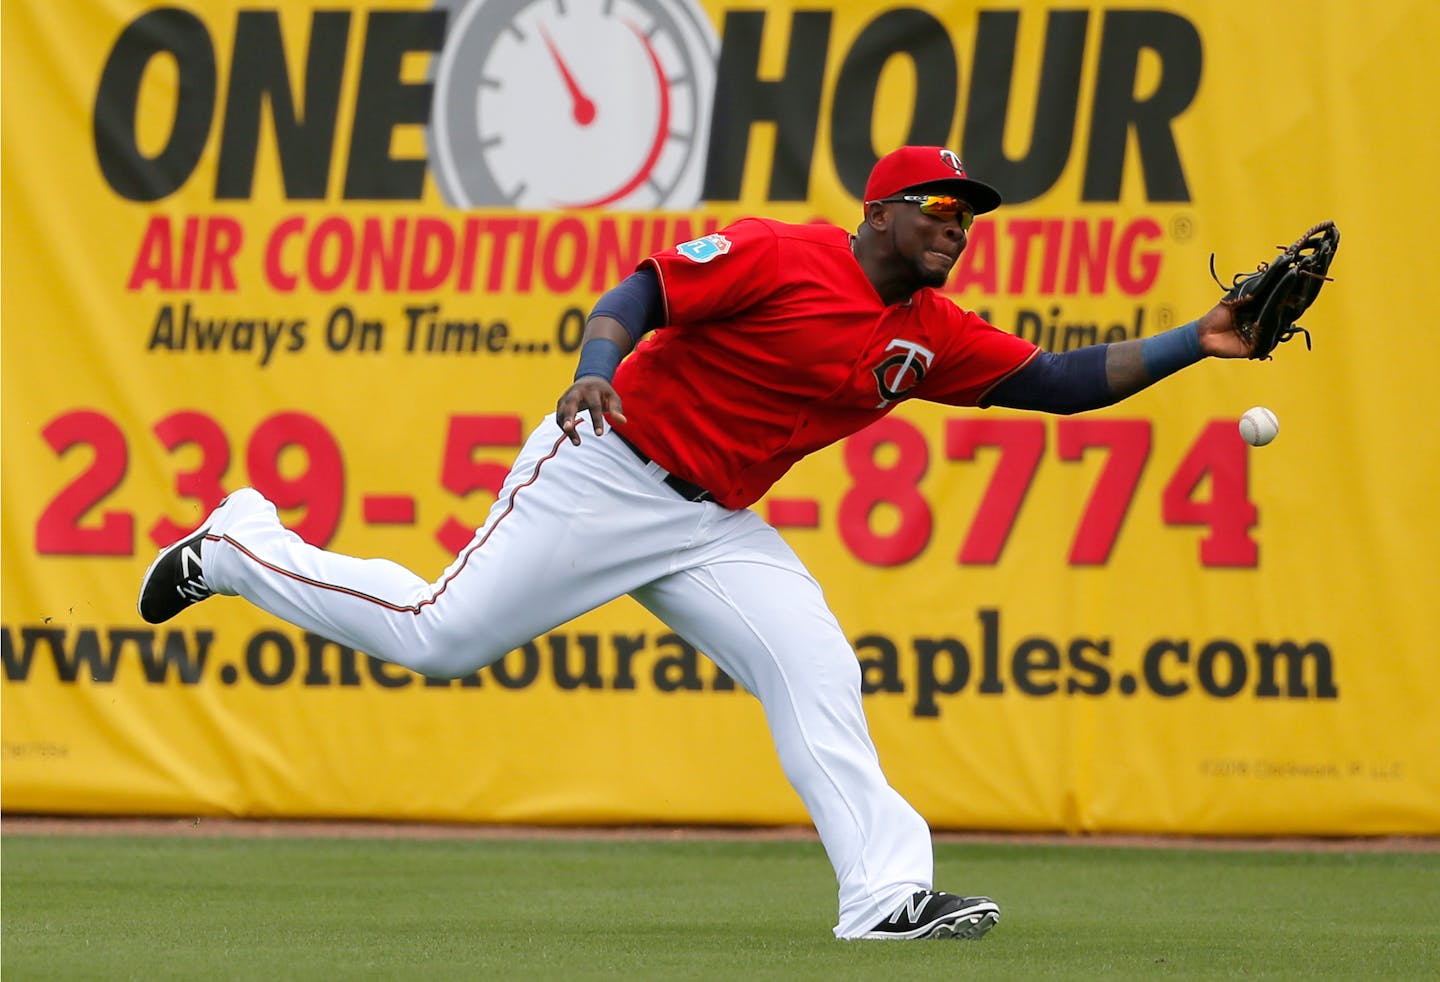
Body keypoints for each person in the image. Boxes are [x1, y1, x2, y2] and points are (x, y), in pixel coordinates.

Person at [139, 145, 1255, 941]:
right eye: (935, 206)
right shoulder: (782, 255)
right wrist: (591, 366)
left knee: (814, 664)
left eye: (966, 214)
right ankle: (242, 545)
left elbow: (1059, 382)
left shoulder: (932, 334)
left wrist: (1198, 341)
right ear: (878, 214)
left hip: (712, 518)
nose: (955, 226)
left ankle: (886, 897)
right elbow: (644, 286)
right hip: (608, 467)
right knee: (440, 638)